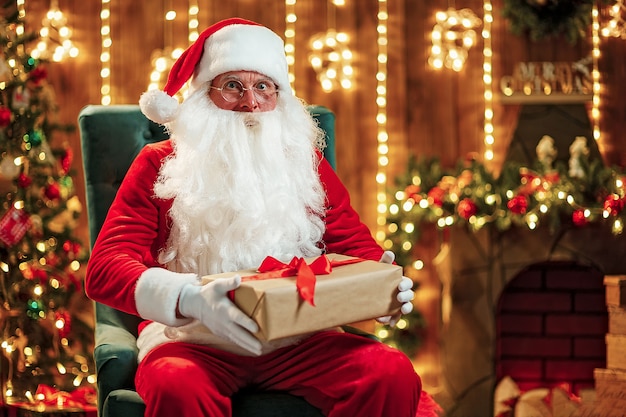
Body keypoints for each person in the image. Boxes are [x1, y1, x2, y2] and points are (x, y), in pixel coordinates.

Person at [85, 17, 439, 417]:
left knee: (389, 373)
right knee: (176, 384)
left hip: (300, 336)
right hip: (193, 339)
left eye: (263, 87)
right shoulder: (159, 164)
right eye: (233, 86)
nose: (250, 103)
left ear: (278, 97)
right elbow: (105, 269)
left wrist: (383, 287)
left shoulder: (306, 164)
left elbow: (356, 248)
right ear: (204, 97)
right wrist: (190, 299)